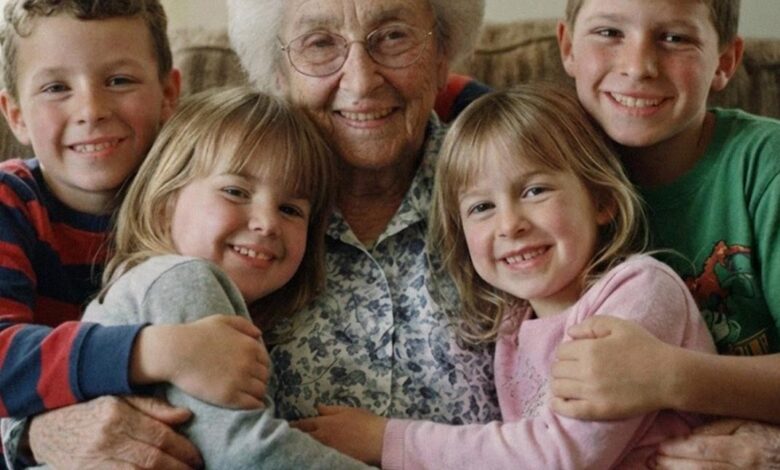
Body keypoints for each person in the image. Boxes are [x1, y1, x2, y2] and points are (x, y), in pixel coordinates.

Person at [292, 84, 717, 469]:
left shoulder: (641, 290)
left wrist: (386, 439)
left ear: (601, 199)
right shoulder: (512, 325)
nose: (510, 224)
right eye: (482, 207)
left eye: (535, 191)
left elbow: (559, 456)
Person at [0, 1, 267, 468]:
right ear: (16, 114)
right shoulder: (10, 203)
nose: (91, 110)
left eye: (119, 80)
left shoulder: (202, 202)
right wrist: (155, 349)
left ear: (168, 93)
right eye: (57, 87)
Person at [226, 0, 502, 424]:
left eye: (393, 36)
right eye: (320, 44)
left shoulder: (511, 189)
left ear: (441, 57)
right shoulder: (229, 210)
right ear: (279, 73)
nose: (361, 81)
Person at [75, 86, 371, 469]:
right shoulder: (183, 280)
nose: (267, 223)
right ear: (165, 206)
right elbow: (243, 452)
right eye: (235, 191)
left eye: (290, 209)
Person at [553, 0, 780, 467]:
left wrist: (670, 377)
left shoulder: (765, 167)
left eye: (675, 38)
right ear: (568, 47)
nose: (638, 66)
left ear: (725, 62)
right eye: (609, 33)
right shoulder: (535, 174)